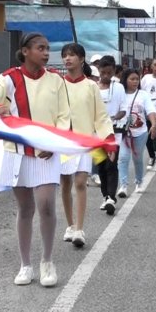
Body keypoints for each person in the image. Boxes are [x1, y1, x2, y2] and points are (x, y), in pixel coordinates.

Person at [0, 32, 69, 287]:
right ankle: (25, 265)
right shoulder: (8, 79)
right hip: (17, 152)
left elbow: (64, 116)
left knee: (47, 205)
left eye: (48, 48)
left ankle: (47, 261)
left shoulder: (56, 81)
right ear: (25, 51)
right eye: (41, 48)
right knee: (25, 209)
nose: (46, 52)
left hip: (46, 152)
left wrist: (52, 143)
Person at [58, 43, 115, 248]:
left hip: (83, 141)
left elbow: (100, 116)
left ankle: (80, 229)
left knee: (80, 182)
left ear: (82, 59)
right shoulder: (57, 84)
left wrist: (108, 141)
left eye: (72, 55)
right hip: (63, 142)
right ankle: (70, 225)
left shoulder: (91, 86)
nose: (67, 59)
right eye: (64, 55)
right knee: (65, 183)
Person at [118, 69, 156, 197]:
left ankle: (139, 182)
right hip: (123, 131)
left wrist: (154, 124)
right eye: (132, 79)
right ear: (125, 80)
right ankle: (123, 185)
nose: (135, 81)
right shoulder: (120, 93)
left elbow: (150, 110)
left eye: (137, 79)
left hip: (140, 132)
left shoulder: (143, 94)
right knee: (123, 157)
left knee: (137, 158)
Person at [95, 56, 126, 215]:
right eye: (103, 72)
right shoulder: (93, 87)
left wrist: (116, 117)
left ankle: (111, 197)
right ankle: (105, 195)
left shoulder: (119, 87)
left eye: (109, 72)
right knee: (101, 165)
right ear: (98, 71)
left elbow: (123, 109)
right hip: (96, 133)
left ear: (114, 71)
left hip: (114, 132)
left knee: (111, 165)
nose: (106, 75)